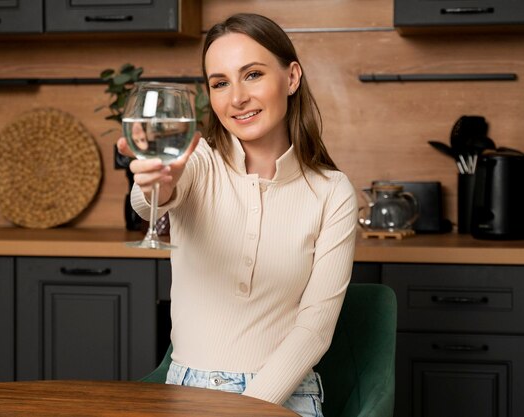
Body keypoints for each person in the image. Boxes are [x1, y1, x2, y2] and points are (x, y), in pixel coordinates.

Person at [117, 13, 357, 417]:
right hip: (186, 392)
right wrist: (154, 178)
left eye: (253, 75)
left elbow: (314, 330)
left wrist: (250, 408)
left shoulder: (332, 192)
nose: (236, 98)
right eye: (220, 83)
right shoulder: (198, 163)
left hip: (285, 396)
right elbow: (154, 198)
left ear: (292, 77)